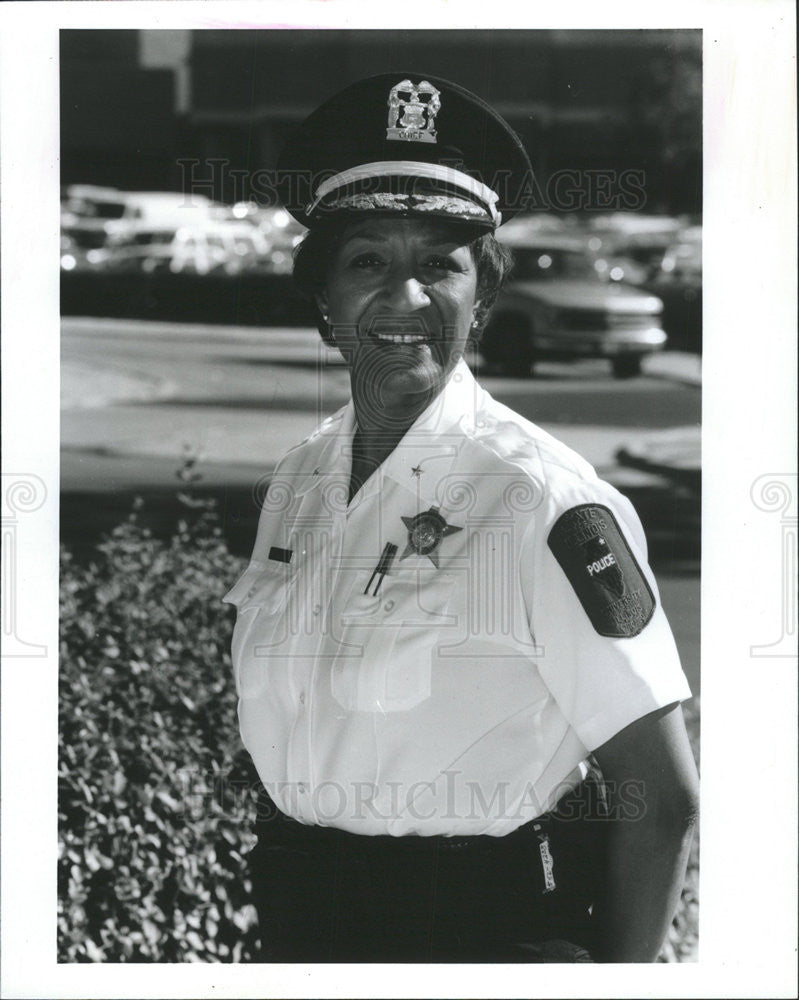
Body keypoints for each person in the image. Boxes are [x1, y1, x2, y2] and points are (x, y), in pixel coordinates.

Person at [224, 72, 699, 963]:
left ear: (480, 299)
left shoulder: (544, 499)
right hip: (302, 927)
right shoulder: (299, 479)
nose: (405, 299)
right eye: (368, 260)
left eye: (439, 264)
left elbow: (661, 800)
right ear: (323, 301)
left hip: (476, 934)